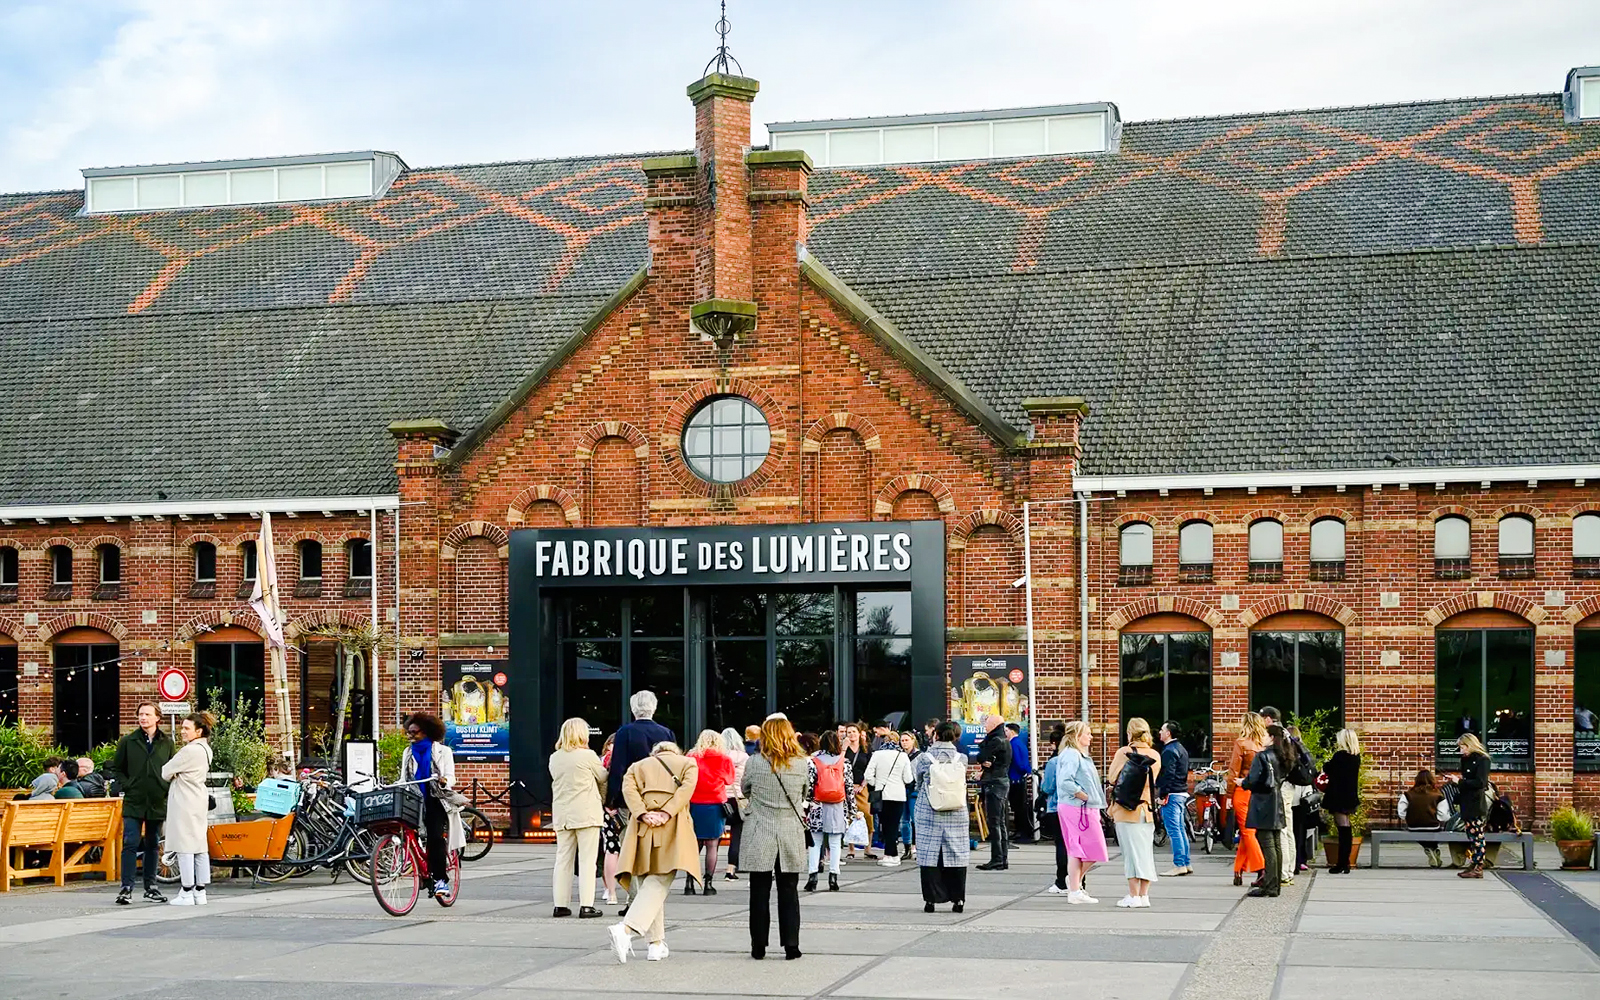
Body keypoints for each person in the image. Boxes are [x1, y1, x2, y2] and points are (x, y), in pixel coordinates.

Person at [609, 740, 699, 964]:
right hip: (674, 826)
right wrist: (666, 813)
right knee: (659, 881)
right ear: (675, 751)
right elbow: (685, 792)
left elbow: (628, 791)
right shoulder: (688, 764)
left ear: (655, 753)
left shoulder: (637, 766)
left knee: (647, 881)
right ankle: (626, 929)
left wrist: (642, 813)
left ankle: (656, 945)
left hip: (642, 827)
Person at [741, 715, 815, 960]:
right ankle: (791, 945)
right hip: (789, 830)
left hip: (760, 828)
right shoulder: (802, 763)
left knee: (759, 890)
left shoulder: (754, 763)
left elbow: (745, 789)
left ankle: (758, 945)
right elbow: (805, 792)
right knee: (789, 890)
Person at [110, 702, 176, 904]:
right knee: (129, 842)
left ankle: (151, 887)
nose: (143, 718)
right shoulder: (128, 741)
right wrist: (129, 785)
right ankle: (126, 887)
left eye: (147, 714)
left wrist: (164, 788)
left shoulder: (167, 743)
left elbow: (173, 768)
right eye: (140, 714)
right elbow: (117, 769)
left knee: (152, 844)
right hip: (134, 800)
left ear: (157, 717)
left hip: (157, 800)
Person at [402, 711, 466, 897]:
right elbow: (403, 778)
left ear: (428, 732)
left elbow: (451, 776)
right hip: (414, 799)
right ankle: (419, 868)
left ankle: (440, 880)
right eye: (409, 732)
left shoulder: (443, 752)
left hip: (435, 798)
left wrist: (445, 780)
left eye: (415, 732)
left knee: (436, 838)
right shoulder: (408, 752)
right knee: (407, 833)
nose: (411, 736)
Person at [549, 716, 608, 918]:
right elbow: (603, 777)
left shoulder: (555, 757)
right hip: (586, 813)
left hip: (563, 814)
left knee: (563, 859)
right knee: (587, 861)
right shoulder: (588, 755)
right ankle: (586, 905)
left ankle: (561, 905)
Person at [913, 721, 970, 912]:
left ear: (935, 735)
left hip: (929, 808)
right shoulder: (961, 758)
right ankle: (958, 899)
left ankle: (931, 899)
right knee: (956, 853)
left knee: (929, 854)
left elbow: (918, 781)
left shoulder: (924, 758)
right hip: (956, 810)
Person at [160, 711, 214, 906]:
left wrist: (176, 775)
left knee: (184, 847)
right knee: (199, 846)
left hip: (184, 801)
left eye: (186, 728)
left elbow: (165, 771)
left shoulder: (189, 751)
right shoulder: (206, 749)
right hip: (198, 799)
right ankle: (200, 891)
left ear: (198, 731)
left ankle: (186, 890)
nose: (182, 731)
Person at [1107, 717, 1161, 908]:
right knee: (1145, 853)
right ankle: (1144, 895)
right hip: (1146, 809)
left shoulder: (1124, 752)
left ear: (1130, 733)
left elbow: (1112, 777)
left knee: (1130, 854)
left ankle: (1133, 895)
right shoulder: (1155, 754)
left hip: (1125, 809)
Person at [1054, 720, 1108, 903]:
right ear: (1077, 736)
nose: (1091, 736)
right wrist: (1083, 795)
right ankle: (1075, 887)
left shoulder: (1076, 754)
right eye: (1087, 733)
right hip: (1077, 807)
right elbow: (1065, 781)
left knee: (1082, 849)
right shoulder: (1072, 755)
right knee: (1084, 848)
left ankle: (1074, 884)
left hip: (1083, 807)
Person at [1242, 724, 1292, 897]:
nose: (1260, 737)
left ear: (1271, 737)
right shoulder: (1283, 755)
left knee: (1267, 844)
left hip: (1263, 803)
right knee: (1276, 844)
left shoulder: (1262, 756)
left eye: (1264, 734)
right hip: (1276, 801)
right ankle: (1275, 884)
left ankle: (1269, 885)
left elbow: (1254, 779)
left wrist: (1244, 782)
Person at [805, 730, 856, 891]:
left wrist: (806, 804)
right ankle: (833, 877)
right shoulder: (845, 762)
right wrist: (853, 810)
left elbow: (809, 785)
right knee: (835, 843)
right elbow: (848, 788)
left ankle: (812, 876)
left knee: (815, 843)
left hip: (817, 805)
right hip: (837, 806)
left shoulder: (813, 761)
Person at [606, 691, 675, 810]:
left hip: (631, 797)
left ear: (633, 709)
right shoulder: (666, 733)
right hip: (660, 795)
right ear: (654, 708)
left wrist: (611, 799)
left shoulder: (624, 732)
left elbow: (618, 767)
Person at [685, 729, 735, 894]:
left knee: (694, 844)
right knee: (712, 845)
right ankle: (708, 883)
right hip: (715, 804)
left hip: (694, 804)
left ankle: (689, 882)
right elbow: (729, 780)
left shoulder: (691, 758)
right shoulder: (724, 759)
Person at [1227, 712, 1267, 888]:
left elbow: (1233, 771)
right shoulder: (1264, 746)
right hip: (1259, 794)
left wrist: (1229, 795)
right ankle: (1238, 869)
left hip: (1242, 790)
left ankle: (1262, 868)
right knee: (1248, 833)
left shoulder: (1241, 743)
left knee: (1247, 832)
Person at [864, 729, 914, 866]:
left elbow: (868, 775)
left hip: (882, 795)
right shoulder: (902, 756)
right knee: (894, 825)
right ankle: (893, 855)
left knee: (885, 825)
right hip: (898, 795)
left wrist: (877, 784)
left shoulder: (877, 755)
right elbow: (908, 778)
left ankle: (889, 854)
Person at [1320, 728, 1361, 874]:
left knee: (1342, 828)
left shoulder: (1340, 756)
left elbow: (1328, 768)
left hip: (1338, 796)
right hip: (1350, 796)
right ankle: (1345, 862)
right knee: (1346, 827)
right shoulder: (1356, 757)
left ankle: (1342, 862)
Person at [975, 713, 1012, 870]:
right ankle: (1002, 859)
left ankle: (997, 858)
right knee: (1000, 823)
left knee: (995, 822)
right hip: (1001, 782)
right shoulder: (1003, 740)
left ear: (995, 725)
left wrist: (986, 760)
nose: (985, 726)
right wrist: (986, 762)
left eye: (987, 723)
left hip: (995, 784)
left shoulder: (996, 741)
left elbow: (981, 755)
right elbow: (984, 759)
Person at [1156, 720, 1192, 876]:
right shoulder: (1181, 749)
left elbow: (1168, 775)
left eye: (1162, 730)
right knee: (1180, 829)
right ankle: (1186, 862)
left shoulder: (1169, 751)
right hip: (1181, 792)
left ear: (1168, 733)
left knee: (1174, 831)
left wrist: (1162, 794)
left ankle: (1179, 864)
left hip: (1172, 794)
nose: (1160, 732)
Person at [1455, 733, 1491, 878]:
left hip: (1475, 802)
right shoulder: (1465, 760)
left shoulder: (1482, 760)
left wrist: (1460, 782)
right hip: (1466, 801)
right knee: (1471, 834)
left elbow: (1480, 782)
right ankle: (1474, 863)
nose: (1461, 750)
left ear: (1469, 745)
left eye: (1462, 747)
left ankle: (1478, 865)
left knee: (1477, 835)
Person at [1398, 769, 1449, 867]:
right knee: (1433, 833)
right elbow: (1443, 816)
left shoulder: (1408, 795)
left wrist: (1410, 817)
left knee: (1420, 834)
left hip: (1414, 826)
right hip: (1433, 826)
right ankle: (1433, 849)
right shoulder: (1438, 795)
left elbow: (1401, 813)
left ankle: (1429, 849)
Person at [599, 733, 627, 906]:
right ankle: (630, 891)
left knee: (611, 849)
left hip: (608, 809)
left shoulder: (602, 761)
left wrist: (606, 804)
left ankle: (611, 893)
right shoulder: (628, 761)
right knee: (628, 849)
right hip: (626, 807)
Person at [721, 727, 750, 881]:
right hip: (738, 799)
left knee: (711, 839)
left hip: (720, 799)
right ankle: (730, 869)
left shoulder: (720, 756)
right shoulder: (745, 757)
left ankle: (700, 873)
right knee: (736, 835)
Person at [1007, 722, 1036, 844]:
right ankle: (1021, 831)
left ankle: (1021, 832)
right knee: (1019, 806)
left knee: (1018, 807)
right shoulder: (1020, 744)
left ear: (1012, 732)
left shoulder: (1013, 744)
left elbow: (1018, 762)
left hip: (1015, 779)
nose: (1005, 733)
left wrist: (1023, 771)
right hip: (1020, 778)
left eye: (1007, 731)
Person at [898, 730, 920, 859]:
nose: (904, 743)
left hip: (914, 790)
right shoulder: (899, 755)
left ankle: (919, 847)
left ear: (913, 740)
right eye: (902, 740)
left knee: (916, 820)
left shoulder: (919, 756)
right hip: (902, 790)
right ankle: (907, 848)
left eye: (907, 740)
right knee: (904, 821)